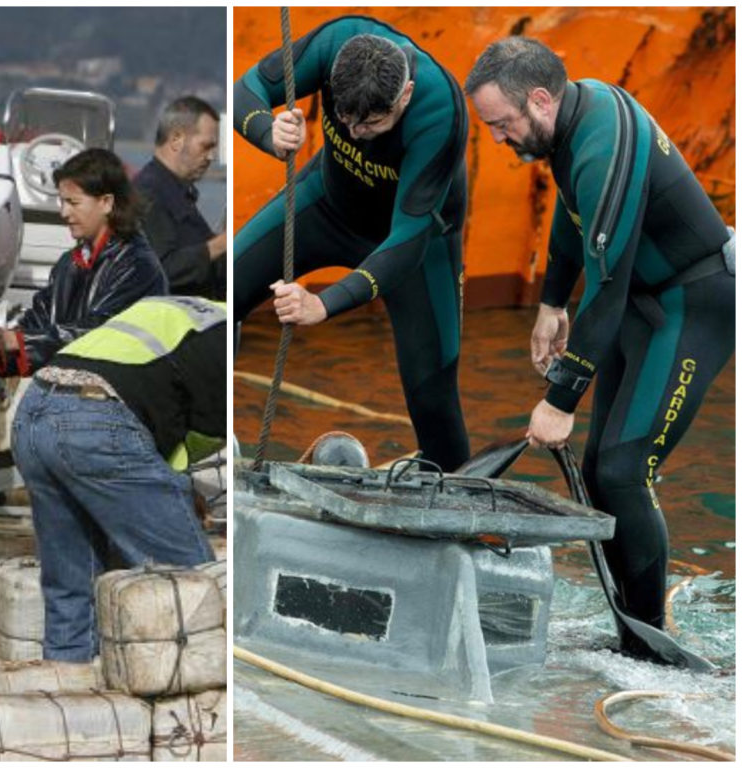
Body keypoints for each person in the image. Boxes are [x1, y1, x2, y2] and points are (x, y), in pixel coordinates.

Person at [465, 38, 735, 660]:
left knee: (623, 471)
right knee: (598, 471)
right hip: (643, 303)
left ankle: (649, 645)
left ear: (539, 99)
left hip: (694, 302)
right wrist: (551, 303)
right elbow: (573, 215)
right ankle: (630, 629)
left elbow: (607, 286)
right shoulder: (569, 126)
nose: (497, 138)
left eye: (501, 123)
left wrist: (560, 400)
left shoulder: (602, 142)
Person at [233, 15, 470, 471]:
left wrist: (324, 304)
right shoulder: (334, 43)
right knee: (224, 290)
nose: (356, 134)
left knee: (432, 392)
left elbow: (408, 238)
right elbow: (248, 88)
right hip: (326, 203)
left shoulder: (440, 110)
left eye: (373, 124)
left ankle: (456, 493)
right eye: (345, 119)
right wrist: (267, 130)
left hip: (412, 243)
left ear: (404, 95)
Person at [11, 295, 224, 661]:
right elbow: (194, 437)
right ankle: (203, 693)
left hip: (33, 409)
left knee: (72, 588)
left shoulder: (183, 311)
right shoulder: (223, 341)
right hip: (95, 419)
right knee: (193, 583)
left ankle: (69, 677)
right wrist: (184, 495)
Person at [0, 148, 168, 374]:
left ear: (106, 202)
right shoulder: (68, 264)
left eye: (73, 202)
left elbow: (102, 330)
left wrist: (21, 341)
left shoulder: (137, 265)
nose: (64, 212)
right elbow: (40, 319)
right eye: (62, 202)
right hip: (71, 385)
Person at [134, 96, 226, 299]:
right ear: (176, 140)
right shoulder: (149, 193)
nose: (211, 157)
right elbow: (160, 270)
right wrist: (222, 243)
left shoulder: (174, 192)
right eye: (206, 146)